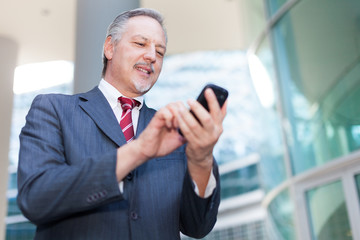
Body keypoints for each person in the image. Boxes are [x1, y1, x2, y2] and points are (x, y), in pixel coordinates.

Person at [17, 8, 227, 240]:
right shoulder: (54, 109)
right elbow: (36, 199)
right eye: (140, 44)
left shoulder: (176, 131)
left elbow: (197, 227)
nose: (152, 56)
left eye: (160, 51)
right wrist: (138, 150)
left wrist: (201, 159)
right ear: (110, 47)